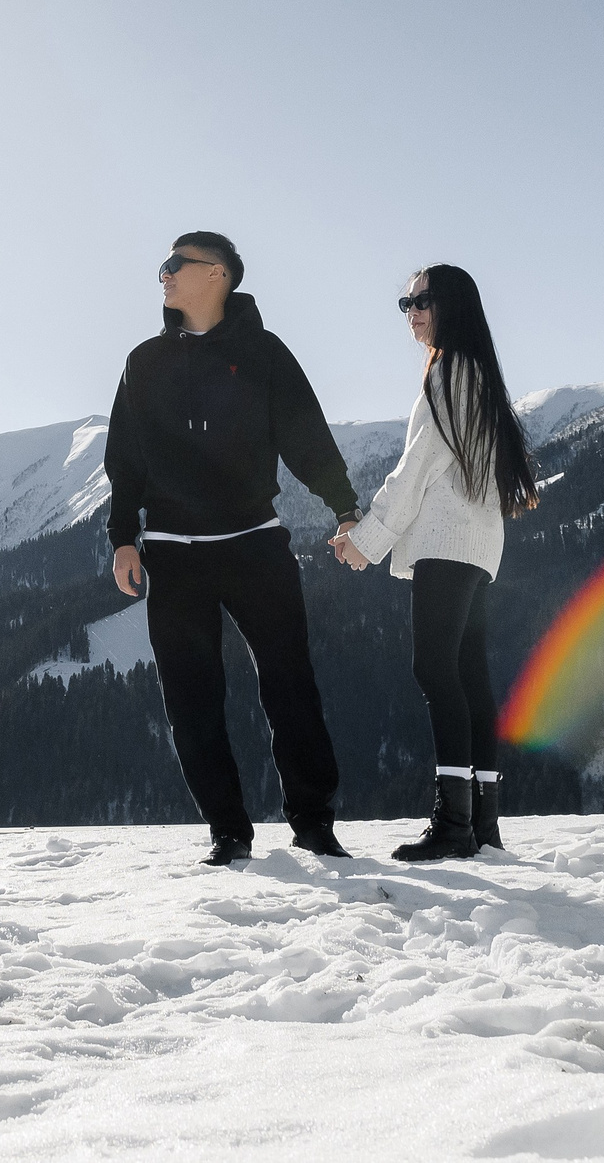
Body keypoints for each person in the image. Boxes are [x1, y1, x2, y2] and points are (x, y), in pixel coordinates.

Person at [106, 232, 364, 867]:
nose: (163, 275)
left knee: (291, 687)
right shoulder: (145, 361)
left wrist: (344, 506)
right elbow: (125, 458)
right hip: (172, 552)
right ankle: (228, 832)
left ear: (217, 274)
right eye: (163, 266)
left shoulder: (263, 353)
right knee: (191, 701)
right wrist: (122, 538)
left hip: (255, 544)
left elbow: (307, 436)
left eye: (175, 264)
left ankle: (314, 824)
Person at [329, 264, 538, 861]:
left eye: (422, 300)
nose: (412, 312)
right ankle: (482, 824)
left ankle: (453, 825)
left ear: (453, 305)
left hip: (448, 543)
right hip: (477, 546)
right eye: (406, 302)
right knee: (468, 676)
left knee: (435, 670)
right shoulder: (477, 373)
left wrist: (367, 540)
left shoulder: (452, 371)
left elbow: (417, 467)